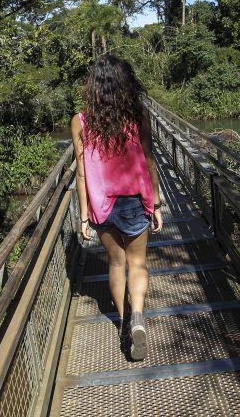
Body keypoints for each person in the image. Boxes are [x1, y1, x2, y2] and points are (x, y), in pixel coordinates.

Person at [70, 54, 163, 362]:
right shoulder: (139, 116)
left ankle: (123, 323)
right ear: (127, 84)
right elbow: (149, 160)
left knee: (115, 264)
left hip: (102, 205)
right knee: (138, 264)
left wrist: (84, 215)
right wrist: (157, 202)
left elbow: (81, 171)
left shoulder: (81, 121)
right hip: (135, 201)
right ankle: (137, 316)